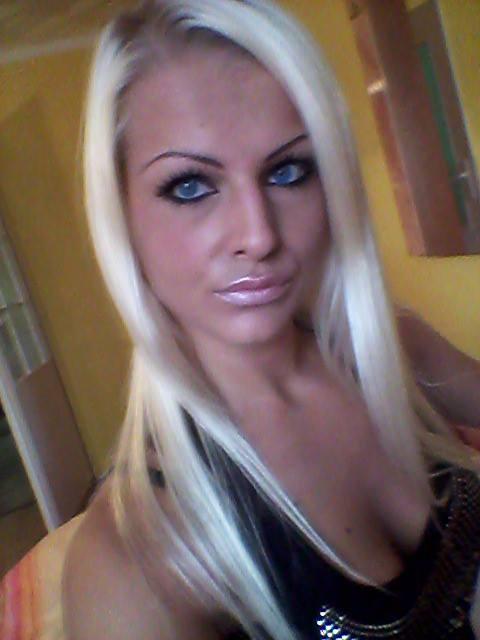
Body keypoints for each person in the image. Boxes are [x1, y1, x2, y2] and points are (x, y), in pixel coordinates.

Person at [63, 1, 480, 638]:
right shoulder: (133, 560)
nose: (258, 236)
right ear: (122, 219)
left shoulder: (392, 350)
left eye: (288, 171)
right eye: (190, 186)